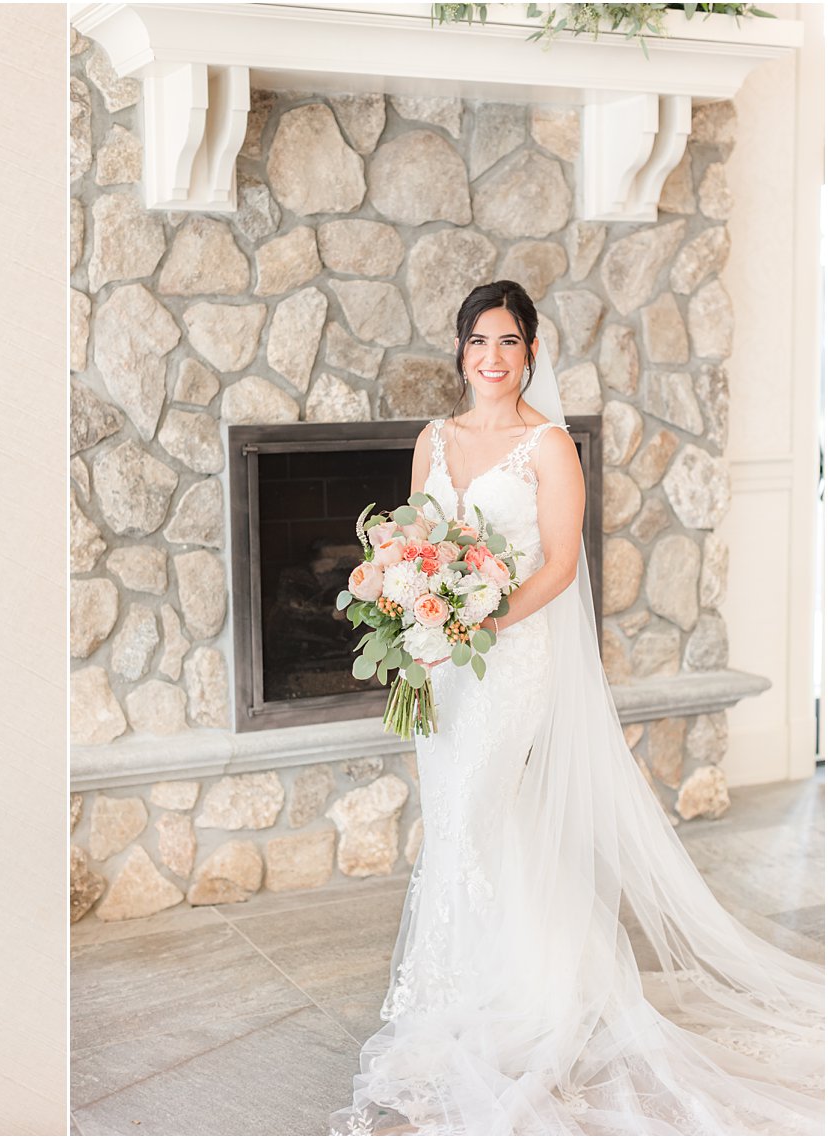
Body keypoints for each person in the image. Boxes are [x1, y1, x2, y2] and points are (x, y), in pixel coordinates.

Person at [329, 281, 824, 1135]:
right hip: (440, 660)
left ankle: (512, 1003)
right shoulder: (433, 439)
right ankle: (481, 984)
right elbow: (412, 536)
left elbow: (559, 564)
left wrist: (475, 614)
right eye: (479, 340)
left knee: (477, 810)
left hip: (510, 655)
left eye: (509, 342)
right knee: (457, 817)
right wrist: (409, 609)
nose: (492, 357)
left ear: (530, 352)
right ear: (460, 350)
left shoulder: (549, 446)